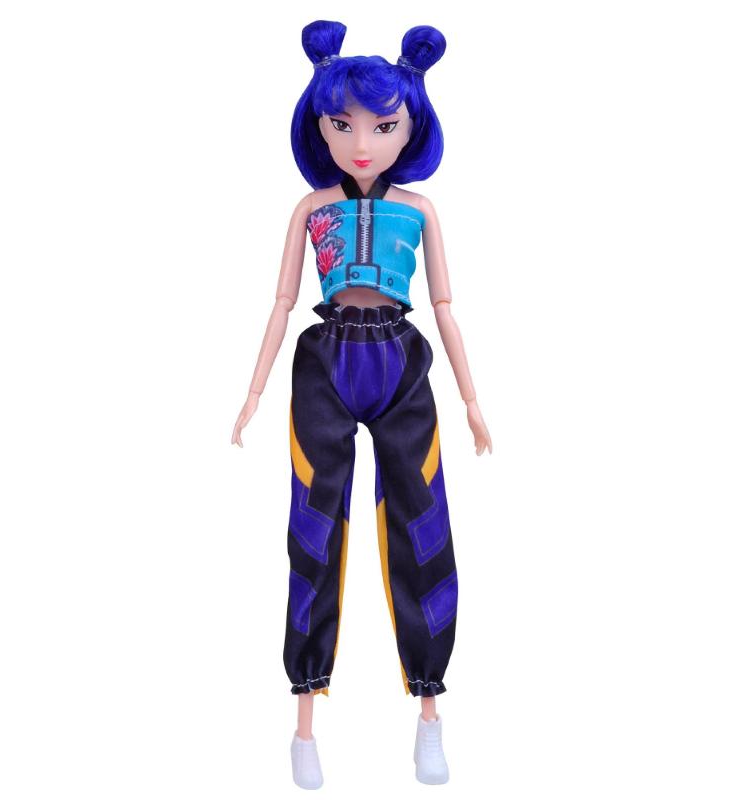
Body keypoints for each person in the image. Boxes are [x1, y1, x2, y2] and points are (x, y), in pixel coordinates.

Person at [232, 20, 492, 788]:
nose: (361, 142)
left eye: (383, 125)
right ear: (318, 125)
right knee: (314, 527)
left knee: (422, 522)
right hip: (326, 359)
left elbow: (445, 307)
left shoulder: (421, 210)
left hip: (402, 361)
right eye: (341, 124)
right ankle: (304, 721)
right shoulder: (311, 207)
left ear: (412, 127)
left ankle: (430, 713)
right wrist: (252, 392)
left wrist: (472, 400)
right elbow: (281, 304)